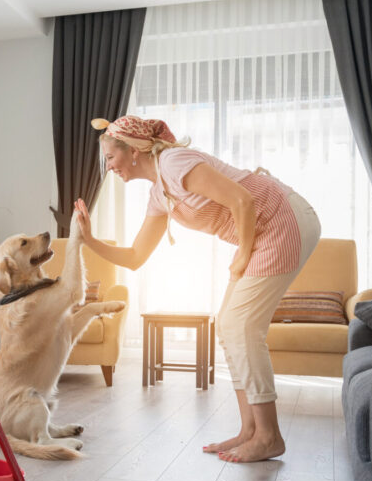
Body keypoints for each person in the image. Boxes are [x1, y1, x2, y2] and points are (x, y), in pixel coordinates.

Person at [73, 115, 321, 463]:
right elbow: (134, 257)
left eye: (110, 158)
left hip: (282, 219)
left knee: (243, 326)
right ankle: (250, 430)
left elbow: (242, 201)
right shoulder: (159, 193)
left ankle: (269, 436)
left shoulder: (174, 163)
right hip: (262, 230)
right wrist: (89, 240)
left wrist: (242, 256)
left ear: (133, 152)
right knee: (230, 326)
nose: (109, 167)